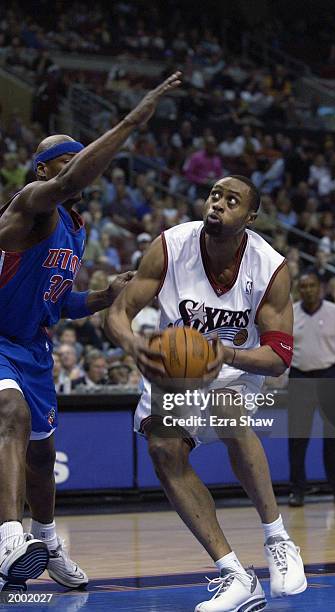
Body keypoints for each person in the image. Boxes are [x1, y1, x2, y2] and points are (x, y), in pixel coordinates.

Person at [0, 71, 182, 593]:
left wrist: (102, 298)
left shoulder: (77, 228)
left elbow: (54, 301)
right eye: (67, 160)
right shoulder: (31, 205)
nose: (78, 169)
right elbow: (69, 181)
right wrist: (131, 120)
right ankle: (10, 537)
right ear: (45, 170)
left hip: (32, 343)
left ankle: (47, 543)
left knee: (39, 454)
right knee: (8, 414)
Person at [105, 175, 307, 612]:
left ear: (250, 217)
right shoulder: (170, 246)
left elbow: (278, 356)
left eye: (231, 201)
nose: (217, 204)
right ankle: (235, 574)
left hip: (236, 365)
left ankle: (278, 538)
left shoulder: (269, 266)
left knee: (228, 410)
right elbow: (119, 311)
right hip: (175, 368)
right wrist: (134, 345)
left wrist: (226, 355)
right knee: (163, 449)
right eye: (214, 195)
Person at [288, 271, 335, 508]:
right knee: (298, 438)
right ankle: (297, 490)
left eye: (311, 285)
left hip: (329, 375)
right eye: (303, 286)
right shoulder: (290, 313)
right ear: (299, 290)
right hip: (299, 377)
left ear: (319, 288)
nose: (307, 289)